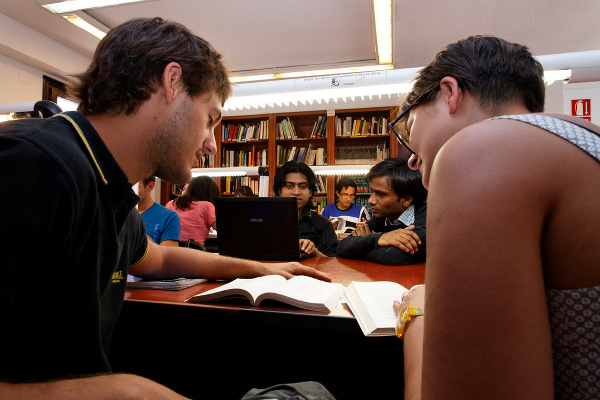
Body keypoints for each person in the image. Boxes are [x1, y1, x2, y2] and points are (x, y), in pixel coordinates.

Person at [0, 17, 331, 399]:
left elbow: (157, 259)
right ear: (171, 82)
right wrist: (125, 392)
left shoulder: (107, 185)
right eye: (209, 120)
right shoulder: (30, 166)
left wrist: (258, 268)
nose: (211, 145)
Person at [391, 35, 600, 400]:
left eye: (409, 130)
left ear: (449, 92)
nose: (410, 157)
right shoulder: (583, 137)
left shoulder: (481, 149)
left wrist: (416, 315)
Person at [336, 158, 427, 265]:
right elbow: (342, 248)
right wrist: (379, 238)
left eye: (381, 194)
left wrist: (364, 242)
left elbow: (393, 256)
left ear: (406, 199)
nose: (370, 200)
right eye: (372, 192)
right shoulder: (382, 217)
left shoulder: (428, 218)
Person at [273, 161, 338, 257]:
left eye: (302, 187)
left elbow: (334, 264)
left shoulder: (323, 225)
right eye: (289, 186)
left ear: (310, 192)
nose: (296, 192)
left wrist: (315, 252)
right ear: (279, 191)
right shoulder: (265, 221)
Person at [166, 175, 219, 245]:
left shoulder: (171, 203)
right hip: (193, 250)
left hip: (170, 249)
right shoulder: (206, 206)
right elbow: (222, 230)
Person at [138, 175, 180, 246]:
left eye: (134, 187)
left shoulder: (168, 217)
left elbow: (167, 255)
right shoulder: (117, 212)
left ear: (150, 186)